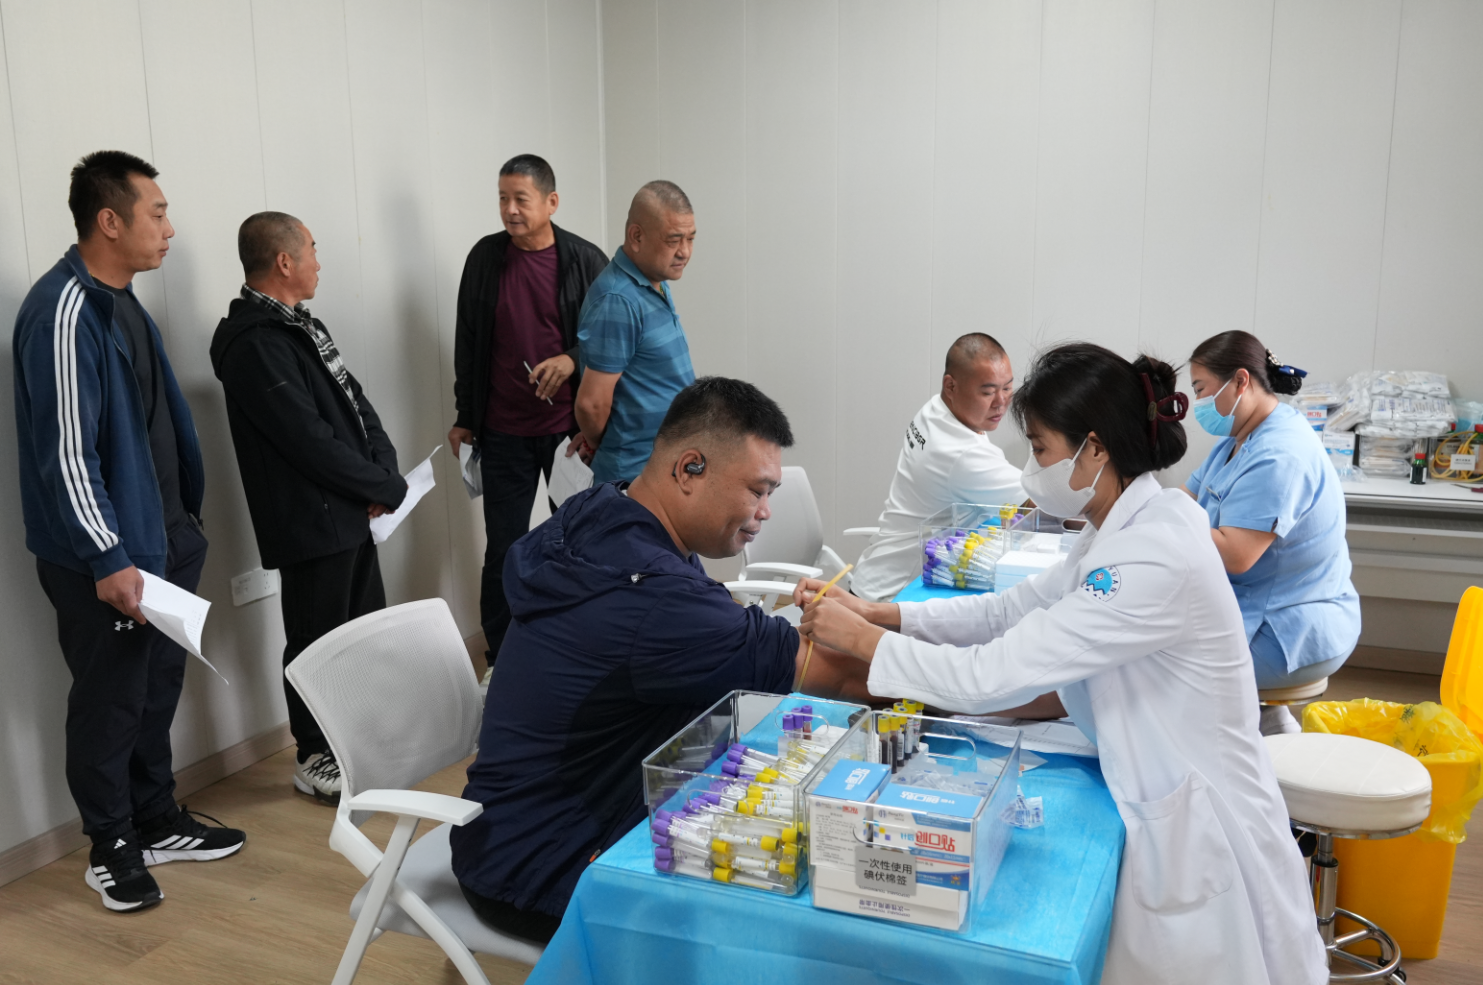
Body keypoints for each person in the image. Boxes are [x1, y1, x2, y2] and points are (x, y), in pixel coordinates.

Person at [795, 343, 1326, 985]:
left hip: (1204, 818)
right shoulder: (1129, 521)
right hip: (1168, 776)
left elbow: (992, 674)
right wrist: (884, 614)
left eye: (1040, 448)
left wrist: (862, 641)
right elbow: (1010, 609)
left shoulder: (1151, 554)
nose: (1032, 468)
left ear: (1094, 449)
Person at [450, 377, 868, 943]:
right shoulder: (657, 599)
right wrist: (954, 669)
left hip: (507, 829)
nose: (766, 512)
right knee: (814, 905)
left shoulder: (606, 508)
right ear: (689, 468)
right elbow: (843, 677)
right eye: (757, 491)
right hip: (546, 866)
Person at [13, 151, 245, 913]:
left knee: (153, 690)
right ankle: (110, 844)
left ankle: (154, 817)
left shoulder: (124, 304)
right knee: (110, 701)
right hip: (108, 557)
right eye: (158, 213)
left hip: (162, 539)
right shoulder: (63, 310)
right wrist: (107, 555)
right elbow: (65, 454)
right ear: (109, 220)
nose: (170, 229)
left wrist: (181, 528)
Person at [210, 212, 407, 805]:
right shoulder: (253, 342)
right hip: (308, 521)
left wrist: (384, 473)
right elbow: (306, 438)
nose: (319, 262)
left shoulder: (302, 325)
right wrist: (376, 483)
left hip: (349, 511)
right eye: (313, 250)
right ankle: (314, 754)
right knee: (316, 641)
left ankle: (358, 740)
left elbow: (356, 403)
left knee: (361, 633)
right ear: (284, 261)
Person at [447, 154, 609, 661]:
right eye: (503, 199)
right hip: (503, 433)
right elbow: (468, 341)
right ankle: (501, 657)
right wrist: (465, 416)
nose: (510, 210)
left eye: (521, 199)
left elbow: (613, 341)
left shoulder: (585, 260)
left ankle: (581, 649)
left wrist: (572, 358)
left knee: (577, 544)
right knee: (505, 550)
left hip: (569, 435)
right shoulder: (485, 258)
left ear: (551, 202)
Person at [1186, 331, 1360, 735]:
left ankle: (1260, 732)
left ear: (1240, 381)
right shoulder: (1238, 439)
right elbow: (1186, 496)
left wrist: (1167, 522)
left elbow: (1236, 555)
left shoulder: (1280, 453)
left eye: (1201, 390)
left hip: (1286, 629)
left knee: (1156, 661)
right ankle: (1265, 722)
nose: (1199, 404)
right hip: (1256, 605)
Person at [851, 333, 1025, 601]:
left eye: (1007, 388)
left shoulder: (935, 409)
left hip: (876, 576)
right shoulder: (961, 454)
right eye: (988, 392)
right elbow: (1042, 502)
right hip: (892, 595)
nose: (1001, 402)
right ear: (951, 386)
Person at [573, 180, 697, 484]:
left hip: (663, 466)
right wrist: (596, 442)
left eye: (690, 239)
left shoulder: (653, 280)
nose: (684, 252)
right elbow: (591, 405)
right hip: (633, 477)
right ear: (636, 236)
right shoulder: (618, 299)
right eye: (674, 240)